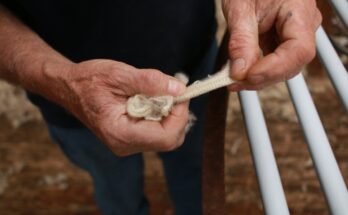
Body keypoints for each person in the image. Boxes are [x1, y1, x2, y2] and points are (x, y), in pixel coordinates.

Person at [0, 0, 321, 214]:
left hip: (192, 53)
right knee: (115, 187)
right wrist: (63, 82)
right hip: (69, 95)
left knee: (194, 170)